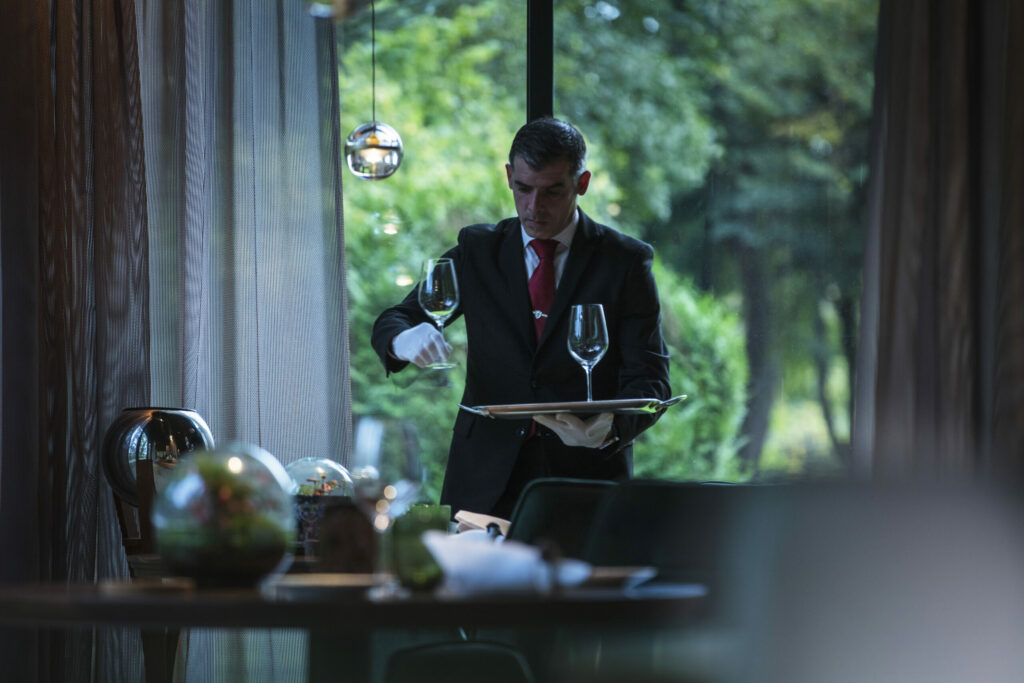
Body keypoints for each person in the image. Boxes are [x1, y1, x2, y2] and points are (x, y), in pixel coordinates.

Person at [371, 117, 671, 518]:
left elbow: (651, 381)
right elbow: (395, 318)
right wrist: (404, 340)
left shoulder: (625, 262)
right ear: (509, 176)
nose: (534, 207)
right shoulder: (478, 250)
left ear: (581, 184)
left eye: (552, 191)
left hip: (586, 480)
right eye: (523, 188)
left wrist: (609, 428)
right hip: (482, 480)